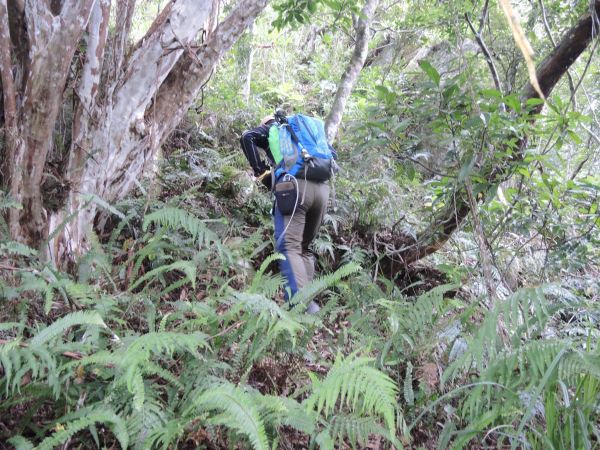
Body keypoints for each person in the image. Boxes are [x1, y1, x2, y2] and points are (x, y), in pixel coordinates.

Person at [240, 113, 332, 314]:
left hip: (295, 187)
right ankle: (309, 305)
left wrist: (261, 172)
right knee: (304, 248)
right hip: (323, 190)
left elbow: (247, 137)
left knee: (289, 246)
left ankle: (300, 307)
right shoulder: (306, 134)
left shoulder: (274, 128)